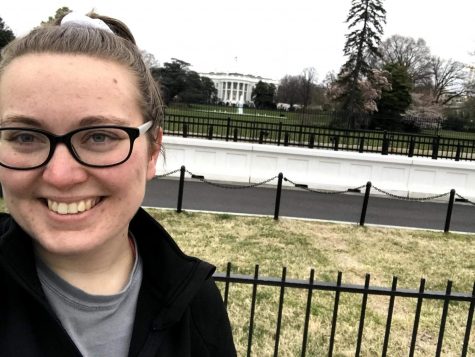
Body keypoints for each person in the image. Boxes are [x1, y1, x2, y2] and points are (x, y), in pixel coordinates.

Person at [0, 11, 236, 357]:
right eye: (25, 136)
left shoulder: (196, 307)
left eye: (98, 137)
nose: (61, 175)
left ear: (153, 150)